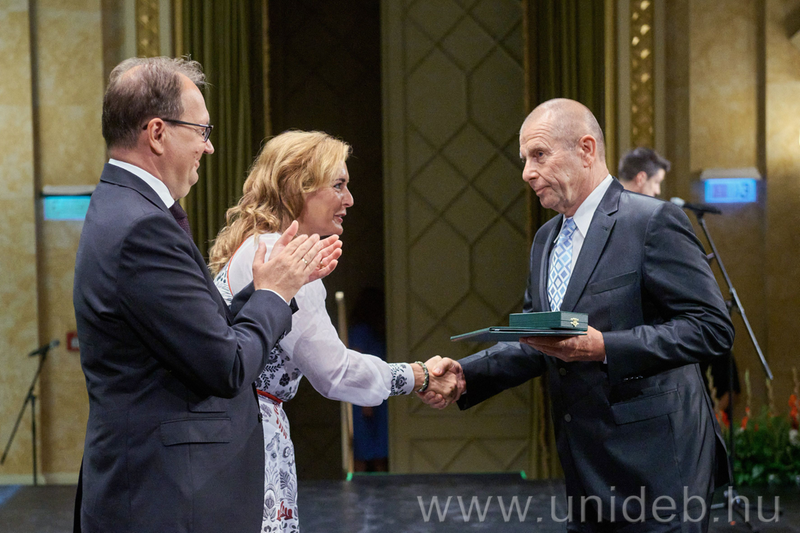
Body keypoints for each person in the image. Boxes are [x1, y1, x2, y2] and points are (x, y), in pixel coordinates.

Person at [423, 99, 735, 532]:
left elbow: (711, 328)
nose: (527, 172)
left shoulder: (653, 221)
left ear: (586, 149)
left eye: (539, 155)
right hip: (586, 472)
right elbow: (538, 340)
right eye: (525, 159)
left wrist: (604, 347)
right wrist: (466, 374)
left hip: (661, 470)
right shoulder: (544, 240)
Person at [72, 57, 341, 533]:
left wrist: (271, 285)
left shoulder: (122, 205)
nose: (209, 146)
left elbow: (193, 332)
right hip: (163, 499)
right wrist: (274, 294)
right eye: (201, 131)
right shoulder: (143, 228)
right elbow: (226, 365)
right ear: (158, 133)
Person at [208, 129, 458, 532]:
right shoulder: (284, 257)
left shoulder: (259, 246)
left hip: (234, 432)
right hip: (249, 439)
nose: (350, 199)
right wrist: (417, 376)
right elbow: (336, 373)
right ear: (298, 188)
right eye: (338, 185)